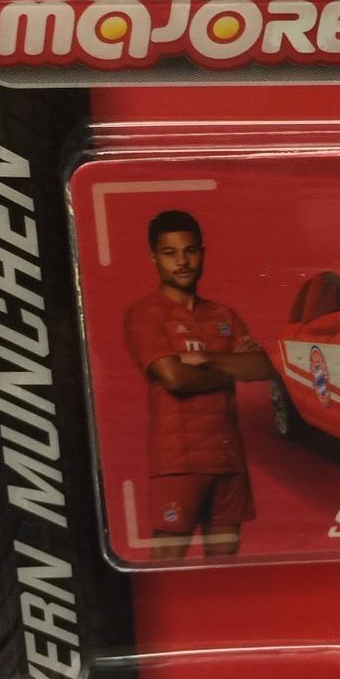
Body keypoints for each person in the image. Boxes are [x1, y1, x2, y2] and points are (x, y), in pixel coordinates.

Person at [123, 210, 272, 557]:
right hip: (179, 462)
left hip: (228, 460)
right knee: (167, 564)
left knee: (224, 567)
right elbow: (175, 378)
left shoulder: (223, 314)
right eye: (170, 253)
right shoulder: (146, 314)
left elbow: (262, 367)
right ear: (154, 257)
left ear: (202, 253)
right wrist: (232, 367)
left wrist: (203, 357)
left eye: (190, 251)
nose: (182, 262)